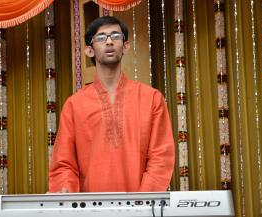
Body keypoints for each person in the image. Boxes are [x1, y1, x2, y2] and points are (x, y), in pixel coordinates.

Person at [48, 16, 174, 193]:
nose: (109, 41)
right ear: (89, 51)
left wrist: (143, 202)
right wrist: (65, 192)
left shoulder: (151, 98)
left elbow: (161, 157)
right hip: (90, 210)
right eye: (100, 38)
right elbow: (63, 163)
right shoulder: (74, 105)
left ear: (126, 46)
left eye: (115, 36)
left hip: (140, 208)